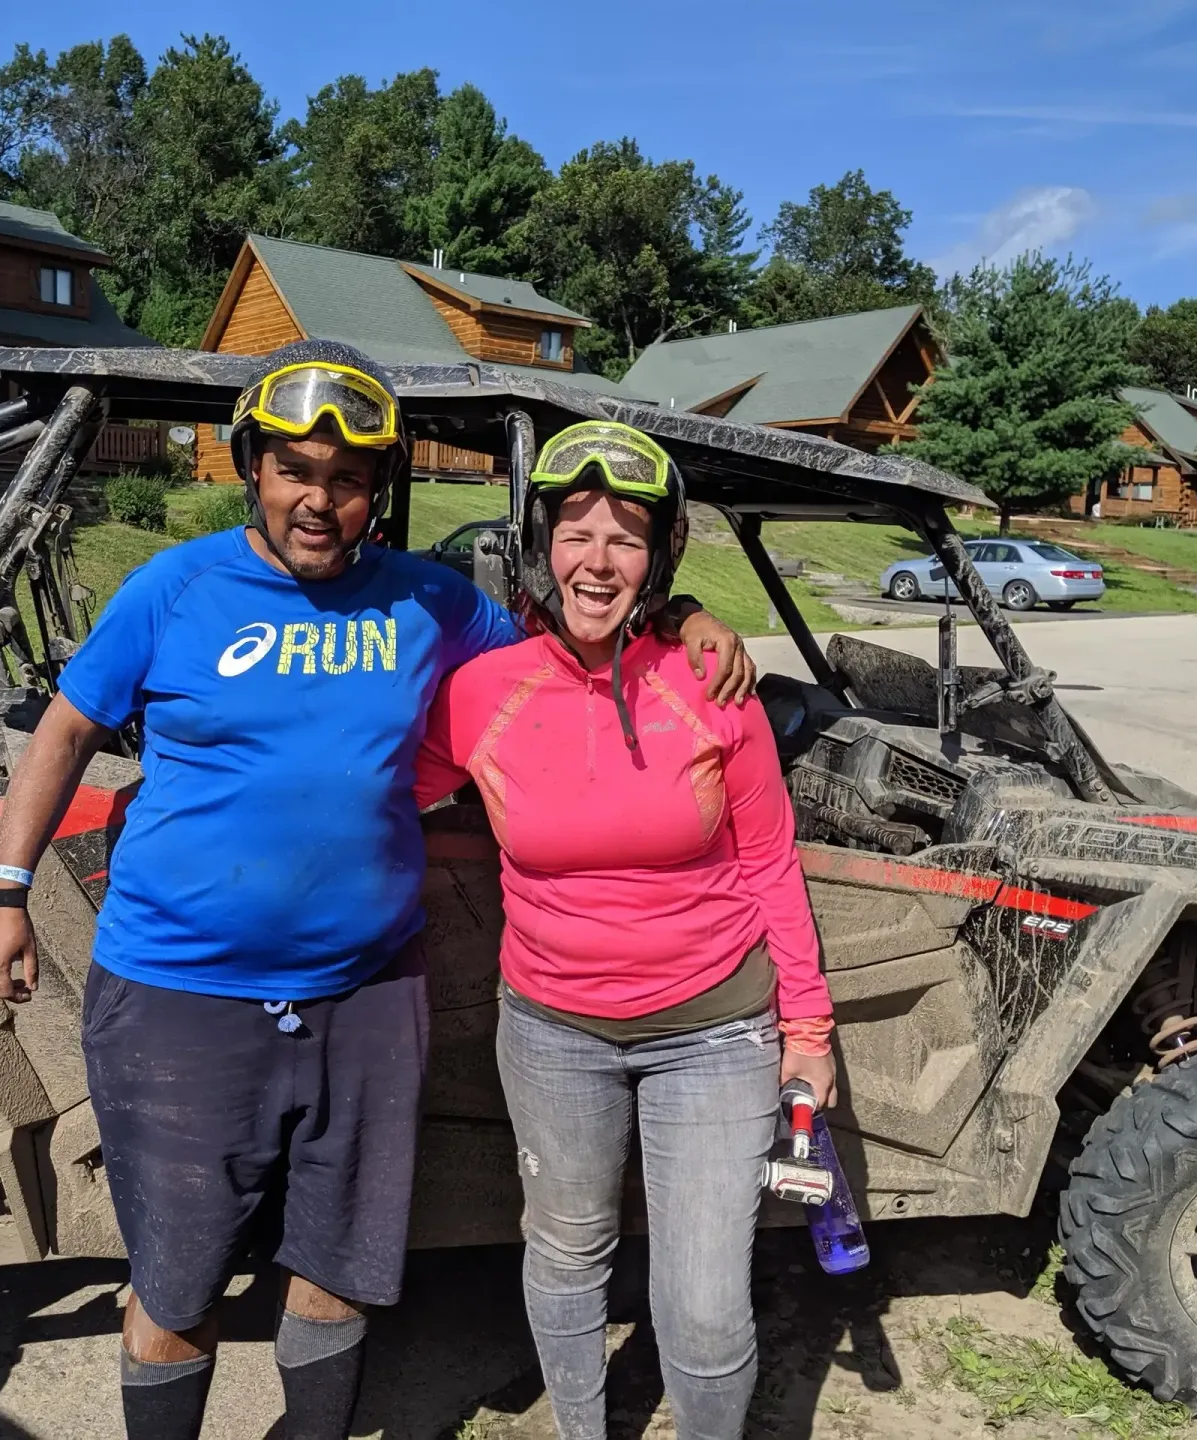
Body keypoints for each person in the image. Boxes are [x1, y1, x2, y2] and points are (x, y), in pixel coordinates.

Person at [0, 340, 754, 1440]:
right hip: (181, 993)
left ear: (376, 490)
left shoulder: (431, 603)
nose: (319, 500)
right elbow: (64, 730)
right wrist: (6, 890)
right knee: (178, 1280)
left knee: (340, 1265)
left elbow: (564, 641)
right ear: (253, 470)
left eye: (346, 479)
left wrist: (681, 618)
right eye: (296, 471)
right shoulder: (177, 589)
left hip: (370, 994)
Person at [415, 420, 837, 1440]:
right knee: (564, 1251)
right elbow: (372, 800)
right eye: (574, 531)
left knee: (702, 1301)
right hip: (552, 1032)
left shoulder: (712, 685)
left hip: (716, 1033)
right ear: (538, 544)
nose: (596, 559)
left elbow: (768, 862)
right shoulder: (479, 694)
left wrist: (809, 1037)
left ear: (660, 558)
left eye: (626, 536)